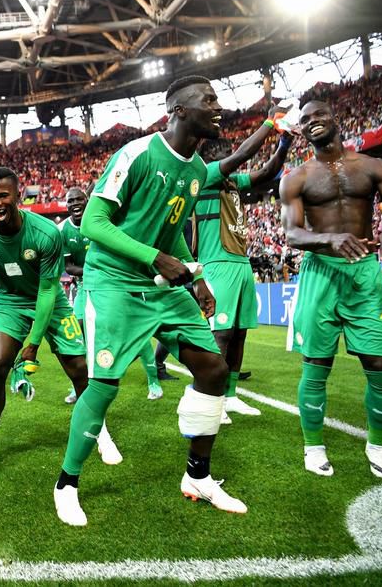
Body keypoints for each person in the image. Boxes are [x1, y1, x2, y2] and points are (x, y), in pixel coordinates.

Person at [55, 75, 247, 526]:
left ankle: (198, 476)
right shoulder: (137, 153)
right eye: (209, 100)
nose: (219, 107)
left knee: (214, 368)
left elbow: (172, 230)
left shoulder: (197, 169)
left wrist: (194, 275)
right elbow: (94, 225)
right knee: (103, 387)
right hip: (114, 285)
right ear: (178, 110)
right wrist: (157, 258)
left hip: (162, 287)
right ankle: (67, 483)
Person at [280, 98, 382, 479]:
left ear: (334, 118)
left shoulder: (372, 166)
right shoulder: (296, 177)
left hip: (363, 274)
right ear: (301, 130)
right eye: (304, 120)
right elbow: (292, 233)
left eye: (318, 115)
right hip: (320, 274)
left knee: (379, 364)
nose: (312, 122)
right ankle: (313, 444)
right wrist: (330, 240)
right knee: (317, 365)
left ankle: (377, 444)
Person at [0, 167, 120, 475]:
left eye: (2, 195)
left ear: (18, 196)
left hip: (51, 302)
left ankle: (101, 432)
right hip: (8, 303)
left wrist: (34, 343)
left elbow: (49, 291)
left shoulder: (46, 233)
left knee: (80, 369)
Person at [194, 121, 292, 422]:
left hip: (240, 264)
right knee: (221, 335)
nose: (230, 155)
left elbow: (265, 173)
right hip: (217, 265)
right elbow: (241, 156)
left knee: (239, 335)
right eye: (224, 152)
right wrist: (268, 124)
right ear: (213, 157)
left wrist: (285, 142)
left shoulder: (233, 182)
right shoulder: (206, 176)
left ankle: (231, 396)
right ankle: (212, 400)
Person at [59, 186, 161, 403]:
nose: (75, 204)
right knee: (79, 334)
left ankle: (154, 380)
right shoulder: (64, 231)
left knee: (134, 331)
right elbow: (68, 266)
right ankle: (77, 386)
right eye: (70, 201)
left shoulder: (104, 220)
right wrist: (94, 272)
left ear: (87, 201)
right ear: (66, 205)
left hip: (114, 283)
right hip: (85, 286)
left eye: (79, 199)